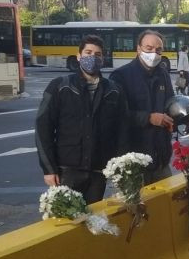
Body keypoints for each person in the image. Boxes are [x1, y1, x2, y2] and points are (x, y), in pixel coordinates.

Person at [35, 35, 127, 204]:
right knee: (66, 222)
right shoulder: (60, 87)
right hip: (67, 170)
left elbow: (121, 131)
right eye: (88, 52)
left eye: (98, 54)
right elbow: (43, 128)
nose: (92, 57)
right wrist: (49, 169)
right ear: (78, 56)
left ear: (103, 58)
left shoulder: (114, 91)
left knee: (92, 220)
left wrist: (118, 168)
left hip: (98, 172)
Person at [110, 30, 189, 183]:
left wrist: (188, 119)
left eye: (158, 50)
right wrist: (148, 118)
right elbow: (116, 116)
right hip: (134, 160)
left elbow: (171, 108)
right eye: (149, 48)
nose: (154, 53)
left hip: (160, 158)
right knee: (137, 205)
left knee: (164, 204)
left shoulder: (162, 73)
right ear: (138, 49)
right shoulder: (121, 76)